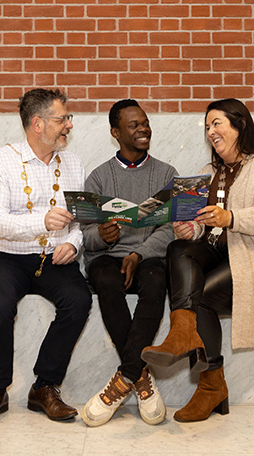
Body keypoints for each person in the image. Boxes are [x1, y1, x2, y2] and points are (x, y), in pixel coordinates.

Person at [141, 98, 254, 422]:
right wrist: (187, 226)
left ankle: (209, 383)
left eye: (216, 123)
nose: (210, 132)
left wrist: (230, 217)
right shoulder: (207, 173)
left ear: (240, 125)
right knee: (176, 249)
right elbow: (202, 228)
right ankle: (186, 337)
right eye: (206, 127)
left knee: (197, 297)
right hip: (218, 254)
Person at [0, 88, 92, 429]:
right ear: (37, 124)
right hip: (6, 258)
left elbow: (81, 221)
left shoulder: (74, 163)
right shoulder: (1, 160)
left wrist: (75, 244)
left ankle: (44, 387)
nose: (68, 125)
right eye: (61, 119)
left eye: (67, 118)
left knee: (79, 300)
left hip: (54, 258)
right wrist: (42, 220)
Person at [80, 99, 177, 427]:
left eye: (145, 122)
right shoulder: (98, 178)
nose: (143, 129)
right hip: (106, 259)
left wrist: (139, 254)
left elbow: (170, 229)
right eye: (134, 125)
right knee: (106, 282)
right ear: (115, 132)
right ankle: (141, 378)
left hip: (147, 257)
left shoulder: (166, 174)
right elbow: (85, 237)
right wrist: (103, 236)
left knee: (156, 282)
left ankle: (124, 378)